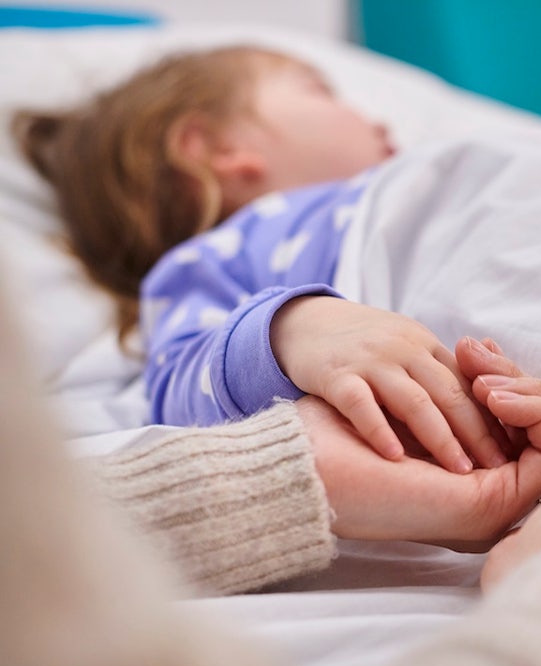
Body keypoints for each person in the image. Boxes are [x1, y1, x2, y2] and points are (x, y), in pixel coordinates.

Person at [0, 269, 541, 666]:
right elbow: (180, 358)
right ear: (217, 148)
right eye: (310, 90)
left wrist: (287, 477)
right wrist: (298, 319)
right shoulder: (252, 230)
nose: (370, 113)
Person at [13, 45, 510, 473]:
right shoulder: (216, 255)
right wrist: (293, 329)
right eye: (320, 91)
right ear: (220, 148)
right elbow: (182, 380)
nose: (376, 118)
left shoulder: (404, 180)